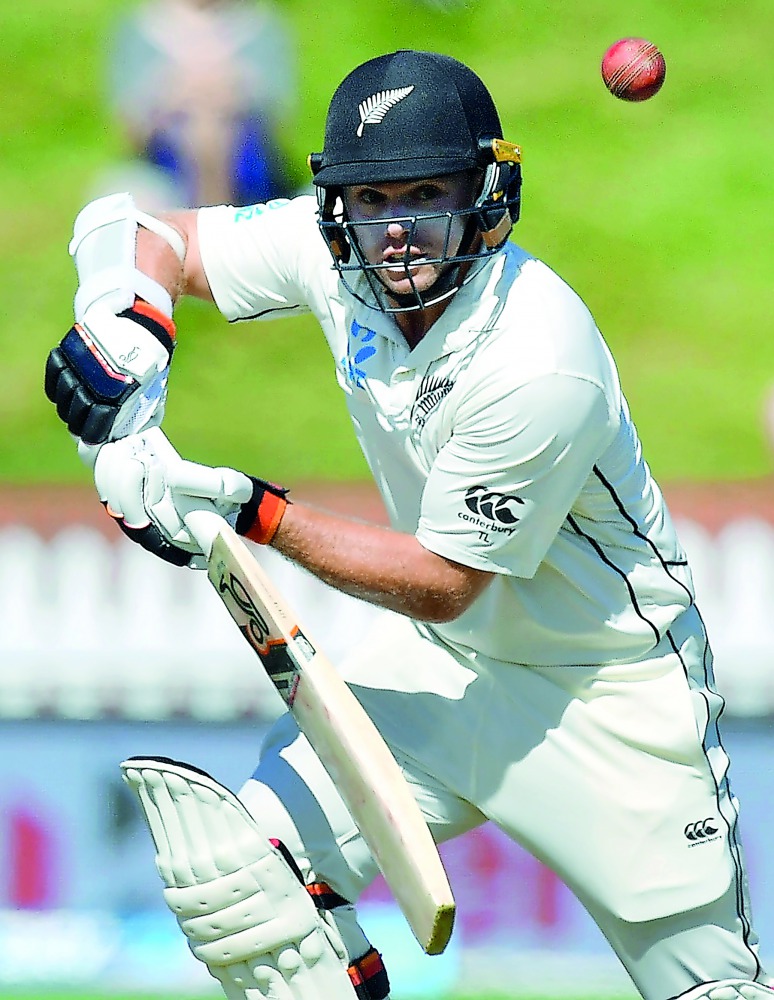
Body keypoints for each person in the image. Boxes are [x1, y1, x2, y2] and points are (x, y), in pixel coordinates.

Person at [44, 49, 773, 1000]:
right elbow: (137, 226)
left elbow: (444, 580)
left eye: (427, 193)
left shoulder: (537, 357)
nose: (396, 232)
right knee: (250, 882)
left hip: (604, 692)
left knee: (709, 992)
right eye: (373, 199)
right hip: (444, 667)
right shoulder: (333, 251)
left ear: (486, 193)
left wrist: (246, 509)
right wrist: (131, 318)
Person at [108, 0, 297, 207]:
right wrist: (174, 94)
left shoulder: (258, 25)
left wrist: (231, 92)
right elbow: (130, 129)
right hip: (165, 168)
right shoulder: (141, 27)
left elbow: (278, 121)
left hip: (249, 171)